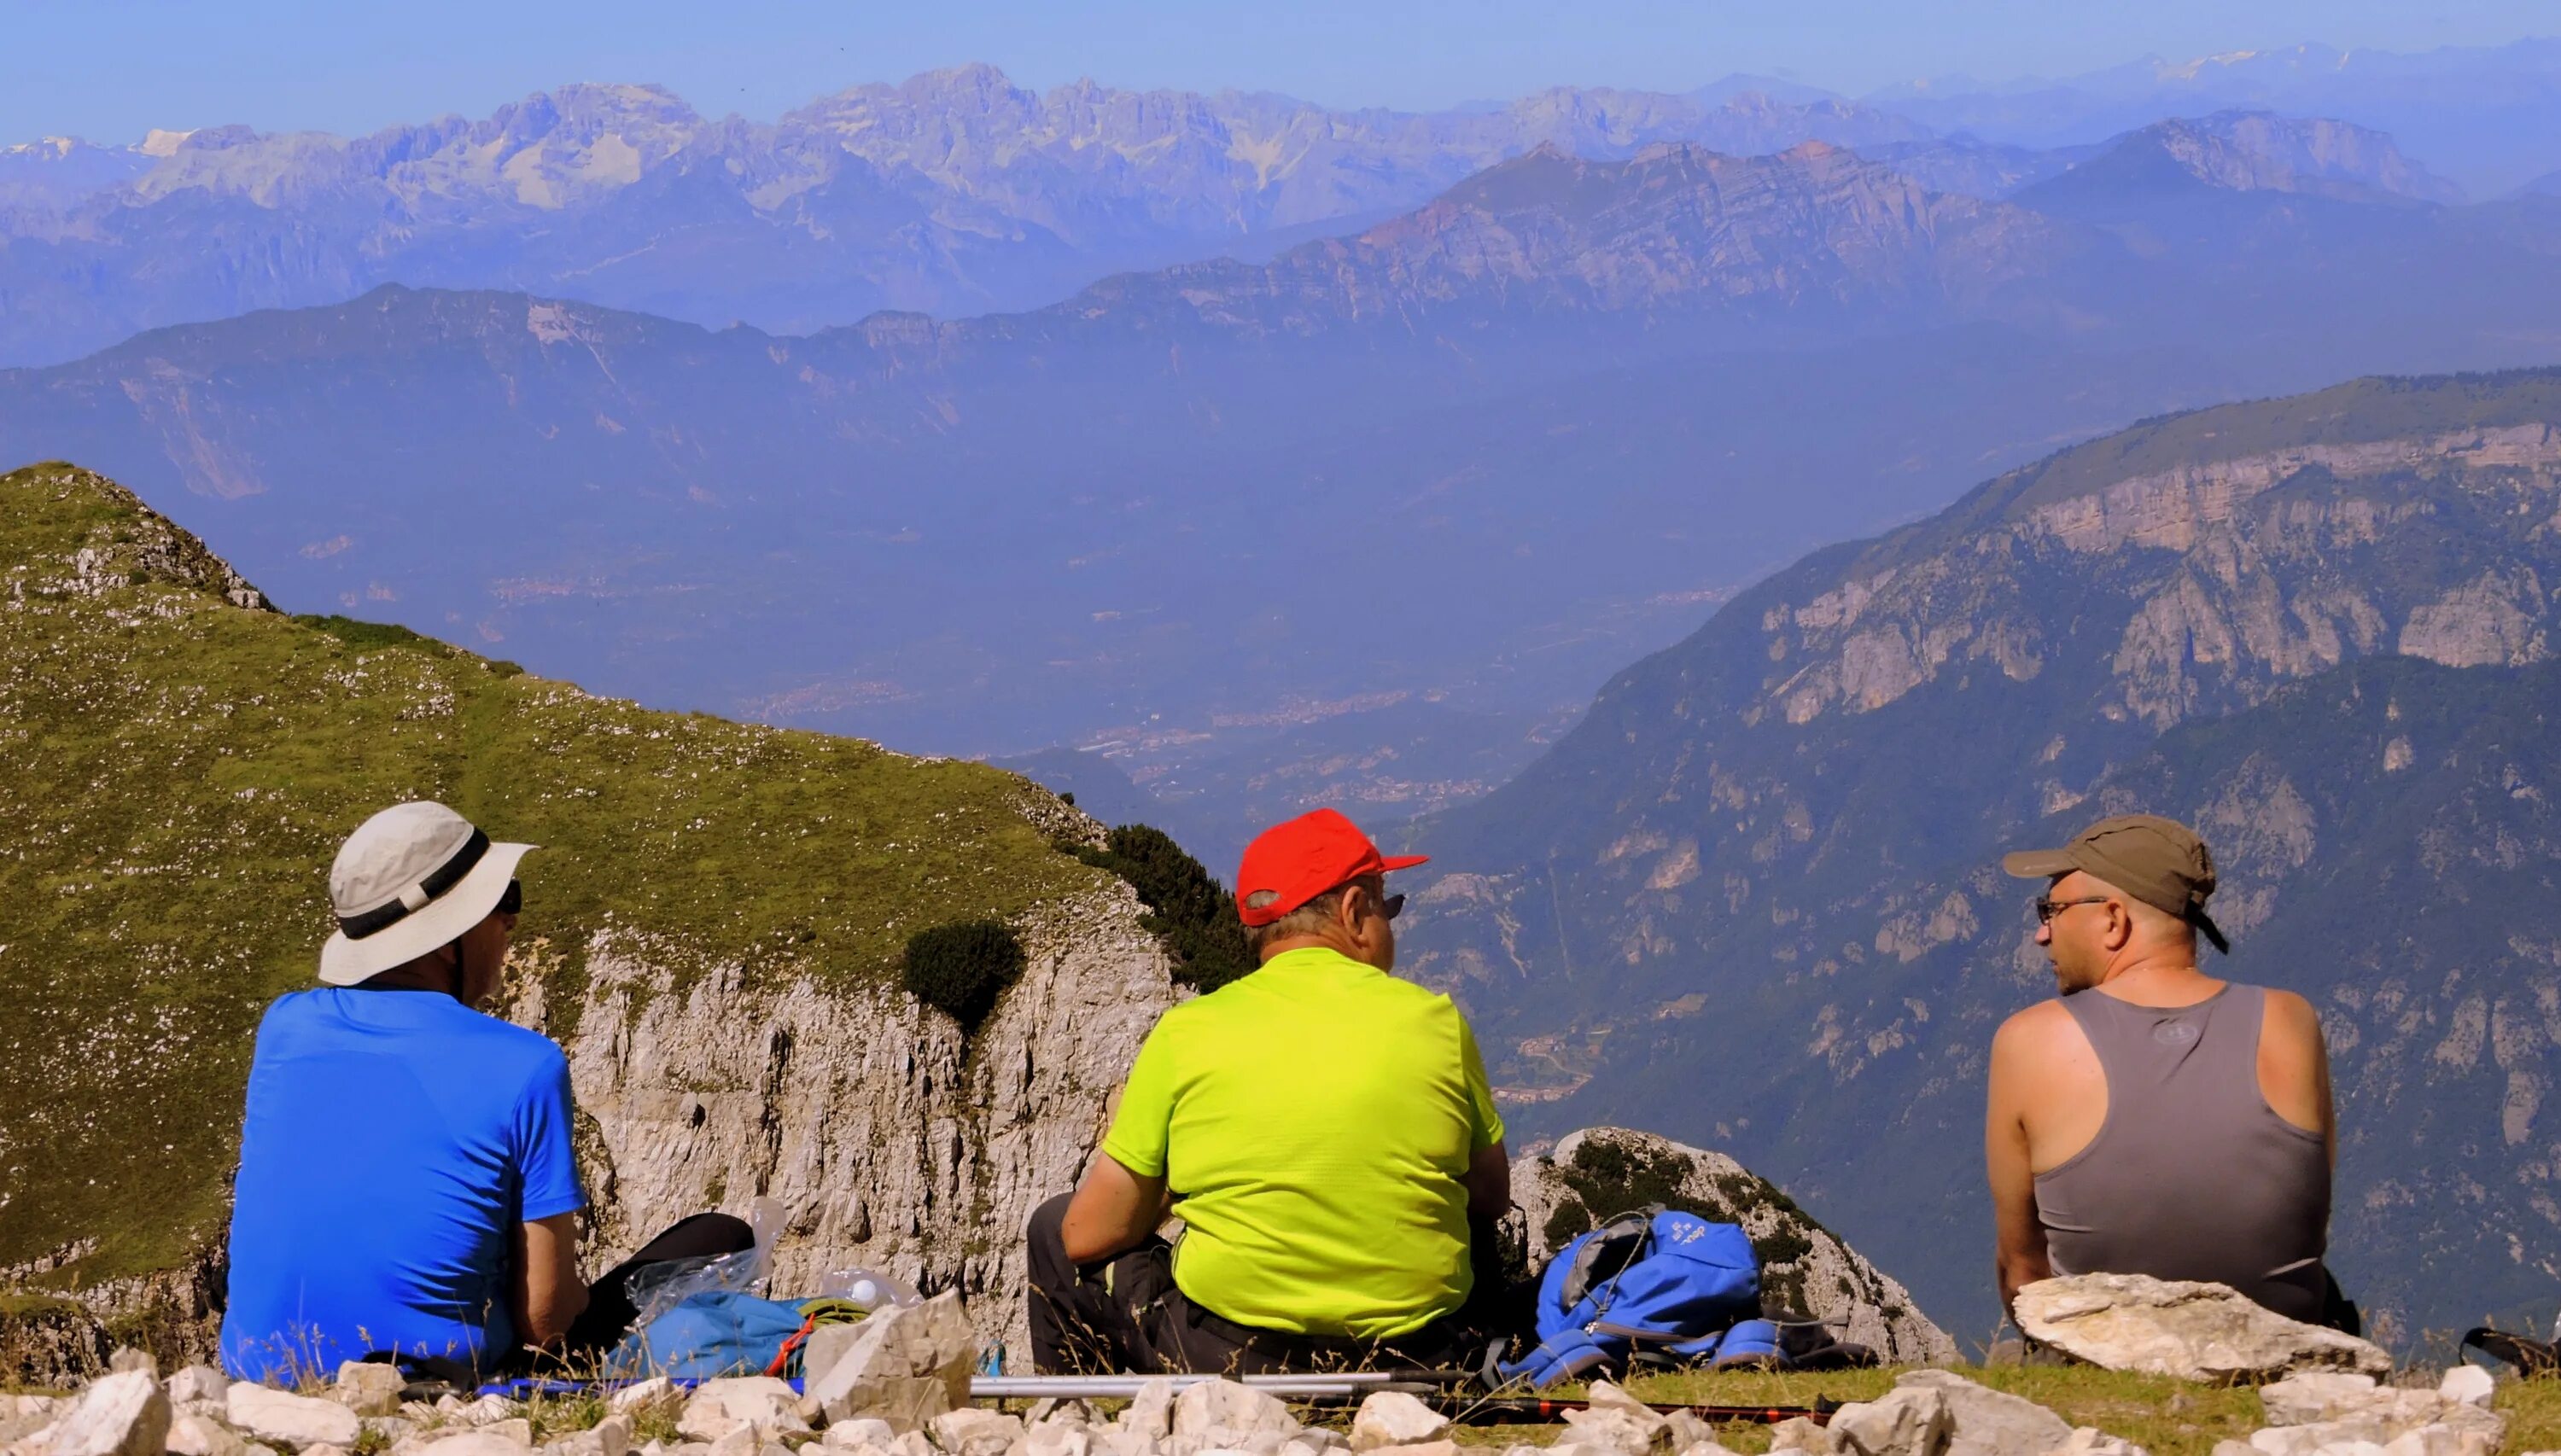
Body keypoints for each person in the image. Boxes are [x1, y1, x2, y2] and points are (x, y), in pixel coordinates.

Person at [220, 801, 751, 1381]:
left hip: (259, 1372)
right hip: (436, 1380)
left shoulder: (284, 1027)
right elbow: (545, 1325)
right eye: (501, 904)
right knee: (722, 1235)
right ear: (447, 937)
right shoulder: (525, 1064)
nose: (511, 922)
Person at [1025, 807, 1511, 1373]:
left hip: (1231, 1360)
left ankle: (1073, 1422)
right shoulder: (1437, 1022)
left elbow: (1085, 1236)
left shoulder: (1188, 1033)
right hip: (1418, 1357)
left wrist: (1171, 1190)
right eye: (1389, 907)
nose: (1390, 925)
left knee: (1050, 1229)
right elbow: (1491, 1197)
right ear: (1355, 911)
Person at [1984, 813, 2346, 1331]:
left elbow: (2023, 1274)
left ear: (2113, 920)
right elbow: (2304, 1214)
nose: (2043, 934)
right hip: (2287, 1352)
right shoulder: (2291, 1022)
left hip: (2101, 1363)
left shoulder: (2030, 1040)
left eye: (2052, 909)